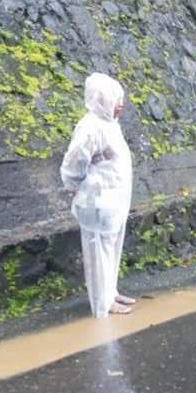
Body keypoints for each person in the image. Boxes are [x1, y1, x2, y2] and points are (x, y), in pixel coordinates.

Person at [61, 73, 137, 317]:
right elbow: (74, 163)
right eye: (115, 99)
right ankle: (102, 304)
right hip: (96, 203)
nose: (120, 104)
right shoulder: (90, 128)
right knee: (98, 254)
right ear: (101, 99)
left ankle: (110, 293)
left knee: (111, 248)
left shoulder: (110, 125)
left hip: (113, 202)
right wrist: (74, 184)